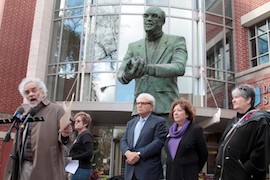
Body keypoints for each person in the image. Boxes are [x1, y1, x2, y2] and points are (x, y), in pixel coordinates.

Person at [117, 6, 188, 117]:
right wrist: (129, 74)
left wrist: (148, 69)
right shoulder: (134, 46)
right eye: (146, 16)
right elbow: (121, 75)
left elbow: (179, 67)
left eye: (154, 16)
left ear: (162, 21)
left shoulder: (176, 41)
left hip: (165, 108)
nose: (149, 19)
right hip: (140, 110)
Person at [4, 77, 73, 180]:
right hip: (24, 166)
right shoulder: (26, 113)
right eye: (27, 92)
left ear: (42, 91)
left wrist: (65, 135)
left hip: (46, 169)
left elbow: (67, 142)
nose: (31, 94)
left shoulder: (57, 110)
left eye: (34, 90)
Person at [214, 84, 270, 180]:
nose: (233, 100)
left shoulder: (259, 120)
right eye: (233, 97)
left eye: (237, 97)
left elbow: (261, 151)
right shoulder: (233, 121)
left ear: (248, 100)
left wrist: (247, 169)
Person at [120, 93, 168, 180]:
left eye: (143, 103)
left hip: (148, 171)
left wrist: (138, 154)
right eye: (138, 103)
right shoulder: (131, 123)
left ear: (151, 106)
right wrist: (128, 153)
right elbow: (123, 140)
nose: (139, 106)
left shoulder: (159, 122)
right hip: (130, 171)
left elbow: (158, 142)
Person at [164, 97, 208, 180]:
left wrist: (194, 170)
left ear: (187, 114)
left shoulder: (195, 130)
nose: (176, 113)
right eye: (174, 111)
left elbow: (203, 153)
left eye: (179, 110)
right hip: (171, 174)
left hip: (188, 174)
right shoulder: (170, 132)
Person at [67, 112, 93, 180]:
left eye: (78, 121)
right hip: (76, 168)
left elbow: (89, 153)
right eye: (75, 121)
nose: (76, 123)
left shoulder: (86, 135)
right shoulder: (79, 136)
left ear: (85, 124)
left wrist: (73, 158)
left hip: (82, 168)